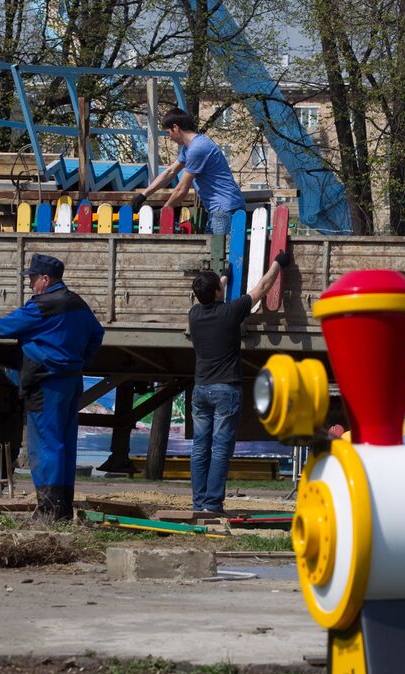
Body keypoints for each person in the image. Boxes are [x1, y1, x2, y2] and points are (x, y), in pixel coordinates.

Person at [0, 254, 104, 520]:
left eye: (31, 279)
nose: (29, 284)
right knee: (64, 444)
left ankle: (49, 510)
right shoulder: (77, 303)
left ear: (45, 279)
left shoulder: (42, 305)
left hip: (46, 382)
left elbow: (8, 325)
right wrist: (79, 360)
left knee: (46, 446)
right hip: (71, 380)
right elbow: (97, 333)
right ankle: (62, 509)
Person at [188, 248, 289, 514]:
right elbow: (263, 287)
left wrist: (223, 277)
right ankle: (212, 504)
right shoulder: (230, 312)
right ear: (218, 294)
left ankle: (200, 503)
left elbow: (212, 292)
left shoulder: (194, 316)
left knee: (200, 449)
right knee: (220, 449)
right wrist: (278, 262)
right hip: (225, 389)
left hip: (201, 389)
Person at [132, 107, 246, 235]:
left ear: (175, 127)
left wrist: (164, 211)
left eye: (168, 132)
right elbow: (170, 172)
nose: (169, 138)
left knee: (219, 253)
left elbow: (181, 190)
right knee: (213, 251)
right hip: (221, 208)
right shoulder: (191, 147)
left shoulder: (197, 149)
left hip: (224, 209)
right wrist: (143, 195)